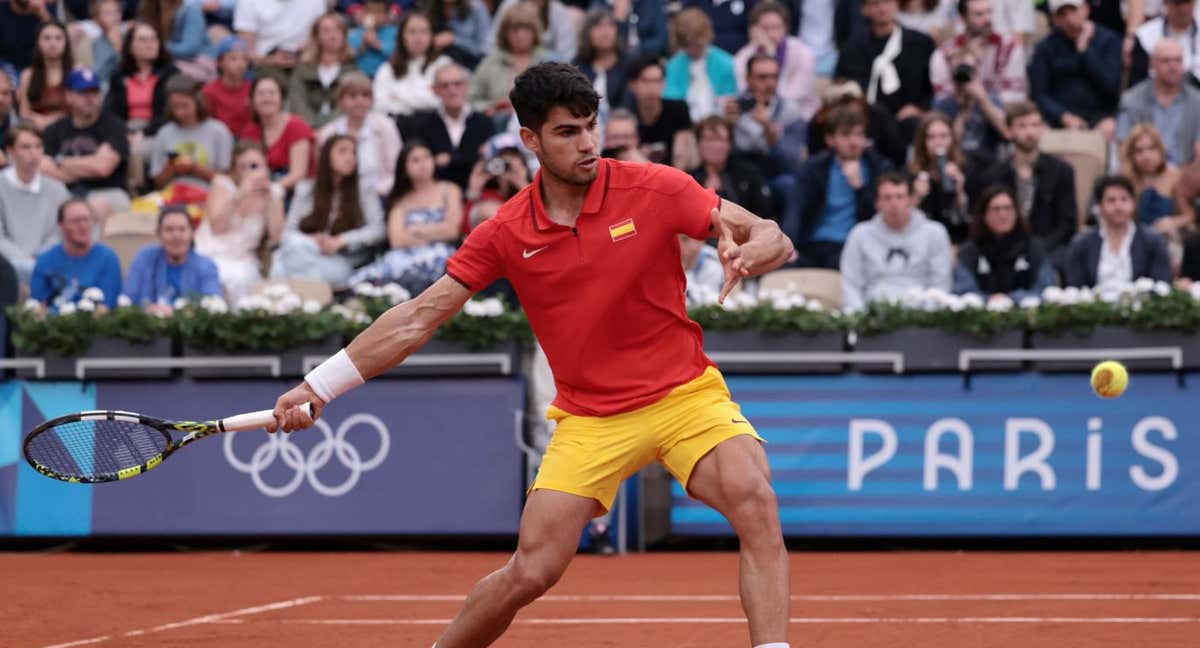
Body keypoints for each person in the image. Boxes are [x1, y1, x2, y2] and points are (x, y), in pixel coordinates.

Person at [271, 61, 793, 648]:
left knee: (756, 500)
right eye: (568, 132)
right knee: (532, 570)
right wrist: (319, 385)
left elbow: (770, 232)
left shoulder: (657, 187)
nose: (588, 143)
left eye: (591, 126)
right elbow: (418, 317)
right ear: (531, 140)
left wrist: (749, 249)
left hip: (683, 395)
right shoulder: (506, 230)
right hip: (591, 419)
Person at [971, 101, 1078, 268]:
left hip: (1048, 248)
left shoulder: (1061, 171)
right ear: (1008, 131)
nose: (1030, 132)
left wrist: (1038, 250)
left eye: (1035, 125)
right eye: (1022, 126)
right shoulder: (994, 175)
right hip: (1003, 249)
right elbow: (984, 220)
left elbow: (1067, 224)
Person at [347, 141, 464, 292]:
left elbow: (452, 230)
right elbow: (397, 240)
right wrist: (436, 230)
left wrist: (417, 229)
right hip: (402, 258)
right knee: (362, 281)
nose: (423, 164)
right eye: (415, 160)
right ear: (404, 167)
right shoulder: (401, 200)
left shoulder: (449, 190)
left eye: (427, 157)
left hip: (441, 257)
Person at [270, 134, 385, 286]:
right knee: (293, 247)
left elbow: (378, 230)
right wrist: (312, 241)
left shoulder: (364, 190)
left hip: (342, 258)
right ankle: (312, 298)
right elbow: (288, 232)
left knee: (280, 269)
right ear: (326, 156)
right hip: (307, 251)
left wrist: (341, 241)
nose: (350, 158)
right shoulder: (306, 189)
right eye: (343, 151)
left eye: (353, 153)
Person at [785, 105, 892, 268]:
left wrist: (859, 188)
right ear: (830, 139)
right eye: (845, 135)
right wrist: (787, 245)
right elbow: (796, 209)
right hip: (813, 243)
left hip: (853, 246)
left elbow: (879, 218)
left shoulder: (878, 168)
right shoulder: (814, 168)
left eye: (858, 135)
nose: (853, 142)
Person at [840, 171, 954, 311]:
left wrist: (927, 320)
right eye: (887, 198)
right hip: (872, 315)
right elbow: (851, 284)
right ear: (877, 203)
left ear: (910, 200)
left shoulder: (935, 233)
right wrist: (860, 320)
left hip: (922, 316)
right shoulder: (860, 234)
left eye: (900, 197)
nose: (894, 204)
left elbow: (940, 284)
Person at [928, 0, 1024, 160]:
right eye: (979, 14)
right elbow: (941, 113)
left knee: (998, 103)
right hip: (955, 124)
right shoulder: (943, 55)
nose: (988, 19)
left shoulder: (1010, 49)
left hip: (995, 131)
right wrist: (964, 95)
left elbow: (1012, 114)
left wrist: (980, 95)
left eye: (989, 12)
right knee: (943, 107)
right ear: (963, 18)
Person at [40, 69, 131, 225]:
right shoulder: (54, 130)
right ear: (69, 96)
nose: (90, 98)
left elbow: (102, 168)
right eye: (83, 93)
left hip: (105, 192)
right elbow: (42, 168)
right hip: (63, 192)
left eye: (94, 92)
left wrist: (60, 161)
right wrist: (89, 164)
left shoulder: (114, 126)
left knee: (95, 207)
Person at [196, 141, 286, 300]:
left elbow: (276, 237)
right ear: (235, 169)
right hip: (212, 252)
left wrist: (270, 198)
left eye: (254, 166)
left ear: (265, 166)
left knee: (243, 281)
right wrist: (239, 195)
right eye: (242, 167)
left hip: (243, 260)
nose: (249, 171)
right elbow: (217, 228)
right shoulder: (223, 185)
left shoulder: (274, 192)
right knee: (219, 276)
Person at [835, 0, 936, 138]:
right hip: (866, 121)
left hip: (908, 122)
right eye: (875, 4)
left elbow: (934, 88)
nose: (882, 9)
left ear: (897, 5)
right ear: (864, 9)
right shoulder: (853, 48)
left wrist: (919, 110)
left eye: (887, 2)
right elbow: (843, 86)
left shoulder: (921, 44)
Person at [1027, 0, 1121, 140]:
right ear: (1055, 19)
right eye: (1062, 14)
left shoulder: (1108, 40)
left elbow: (1111, 85)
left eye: (1073, 10)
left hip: (1100, 116)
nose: (1070, 19)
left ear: (1086, 9)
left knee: (1110, 128)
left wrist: (1085, 51)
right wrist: (1063, 116)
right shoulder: (1045, 48)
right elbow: (1039, 94)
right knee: (1037, 131)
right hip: (1059, 118)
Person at [1064, 174, 1173, 289]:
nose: (1118, 206)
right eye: (1111, 200)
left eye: (1124, 199)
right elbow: (1074, 288)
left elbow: (1162, 285)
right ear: (1100, 206)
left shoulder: (1152, 241)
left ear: (1133, 204)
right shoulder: (1082, 243)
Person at [953, 185, 1057, 302]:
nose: (1003, 215)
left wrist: (1011, 299)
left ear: (1016, 213)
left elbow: (1046, 290)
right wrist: (990, 300)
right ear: (984, 215)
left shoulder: (1034, 248)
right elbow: (963, 292)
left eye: (1008, 208)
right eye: (996, 209)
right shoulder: (969, 251)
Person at [404, 63, 496, 191]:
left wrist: (447, 160)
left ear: (466, 86)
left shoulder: (484, 122)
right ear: (434, 90)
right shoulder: (421, 125)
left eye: (457, 84)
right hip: (435, 193)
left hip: (479, 192)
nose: (452, 90)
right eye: (444, 86)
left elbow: (489, 164)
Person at [728, 54, 807, 195]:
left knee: (790, 184)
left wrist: (768, 127)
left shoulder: (790, 110)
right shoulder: (734, 107)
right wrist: (728, 126)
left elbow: (792, 161)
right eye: (762, 77)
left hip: (773, 172)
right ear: (748, 79)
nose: (770, 83)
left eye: (774, 77)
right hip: (739, 172)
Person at [0, 123, 70, 282]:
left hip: (48, 264)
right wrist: (25, 261)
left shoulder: (57, 189)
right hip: (5, 266)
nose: (33, 153)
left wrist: (40, 259)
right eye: (25, 147)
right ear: (11, 151)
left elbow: (60, 232)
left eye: (38, 146)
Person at [318, 72, 402, 201]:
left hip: (381, 195)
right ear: (341, 101)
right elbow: (324, 174)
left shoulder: (385, 126)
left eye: (365, 96)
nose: (359, 101)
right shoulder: (328, 133)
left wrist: (379, 192)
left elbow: (397, 169)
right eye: (352, 96)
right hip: (340, 198)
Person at [122, 206, 223, 313]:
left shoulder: (206, 266)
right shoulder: (145, 258)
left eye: (182, 229)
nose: (176, 236)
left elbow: (213, 304)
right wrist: (147, 308)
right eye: (169, 230)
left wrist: (180, 313)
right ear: (160, 234)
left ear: (192, 234)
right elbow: (127, 298)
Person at [1117, 39, 1200, 168]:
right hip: (1143, 173)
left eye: (1177, 60)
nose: (1173, 66)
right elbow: (1124, 146)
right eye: (1166, 61)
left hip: (1184, 174)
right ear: (1152, 65)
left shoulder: (1197, 101)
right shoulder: (1132, 99)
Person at [732, 1, 820, 120]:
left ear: (786, 28)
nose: (771, 34)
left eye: (776, 27)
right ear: (753, 30)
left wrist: (771, 55)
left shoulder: (803, 53)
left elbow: (789, 99)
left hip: (798, 118)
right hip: (753, 118)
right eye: (765, 28)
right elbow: (742, 91)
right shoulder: (743, 56)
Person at [30, 198, 123, 310]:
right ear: (61, 225)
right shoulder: (45, 260)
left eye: (87, 220)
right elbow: (38, 306)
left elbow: (107, 306)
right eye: (75, 221)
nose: (83, 226)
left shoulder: (108, 259)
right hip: (53, 324)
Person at [149, 75, 234, 190]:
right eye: (175, 107)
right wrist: (171, 168)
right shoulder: (164, 133)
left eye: (185, 105)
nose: (180, 112)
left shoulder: (218, 131)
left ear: (197, 102)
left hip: (209, 193)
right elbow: (158, 183)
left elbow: (226, 180)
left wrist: (196, 168)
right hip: (173, 194)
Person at [469, 1, 551, 120]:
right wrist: (491, 107)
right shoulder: (491, 62)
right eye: (514, 29)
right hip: (497, 126)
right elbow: (471, 99)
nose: (520, 35)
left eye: (526, 28)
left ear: (535, 31)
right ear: (504, 33)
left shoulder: (548, 61)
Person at [104, 21, 181, 139]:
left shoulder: (171, 74)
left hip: (161, 131)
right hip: (126, 130)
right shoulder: (119, 76)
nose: (149, 44)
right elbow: (111, 112)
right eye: (142, 40)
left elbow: (172, 113)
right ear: (130, 46)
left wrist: (144, 133)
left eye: (154, 39)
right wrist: (125, 133)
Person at [689, 116, 775, 221]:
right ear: (699, 144)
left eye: (720, 139)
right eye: (709, 139)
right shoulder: (690, 179)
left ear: (729, 144)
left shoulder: (748, 173)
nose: (715, 146)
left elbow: (766, 214)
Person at [240, 76, 314, 192]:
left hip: (294, 190)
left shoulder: (297, 126)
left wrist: (270, 189)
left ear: (281, 98)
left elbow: (298, 174)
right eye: (261, 93)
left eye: (272, 93)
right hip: (261, 186)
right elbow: (245, 168)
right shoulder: (250, 130)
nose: (267, 98)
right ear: (252, 100)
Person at [1119, 125, 1189, 246]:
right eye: (1139, 151)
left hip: (1168, 238)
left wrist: (1173, 222)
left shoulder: (1174, 175)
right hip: (1134, 240)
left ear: (1161, 151)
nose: (1146, 156)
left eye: (1152, 149)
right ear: (1131, 156)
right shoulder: (1124, 179)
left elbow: (1190, 215)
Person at [373, 11, 451, 118]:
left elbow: (444, 101)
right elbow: (379, 105)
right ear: (402, 37)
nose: (418, 38)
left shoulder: (444, 65)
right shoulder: (388, 68)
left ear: (431, 36)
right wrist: (421, 101)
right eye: (412, 32)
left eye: (424, 32)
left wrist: (399, 97)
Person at [664, 8, 737, 122]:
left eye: (698, 44)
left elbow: (730, 99)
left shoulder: (726, 63)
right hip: (684, 124)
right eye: (688, 45)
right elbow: (671, 101)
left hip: (719, 124)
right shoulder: (673, 66)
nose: (693, 49)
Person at [909, 112, 971, 243]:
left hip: (956, 240)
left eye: (943, 136)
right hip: (919, 241)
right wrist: (917, 196)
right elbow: (902, 218)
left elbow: (968, 219)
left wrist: (959, 190)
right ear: (922, 142)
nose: (938, 142)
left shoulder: (966, 169)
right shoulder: (911, 173)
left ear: (952, 139)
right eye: (931, 137)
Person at [289, 12, 357, 130]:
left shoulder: (353, 70)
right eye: (326, 31)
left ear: (344, 35)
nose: (333, 35)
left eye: (338, 30)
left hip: (339, 130)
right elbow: (297, 101)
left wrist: (328, 129)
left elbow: (347, 106)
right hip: (306, 129)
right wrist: (310, 127)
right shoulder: (302, 70)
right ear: (317, 36)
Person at [625, 54, 695, 168]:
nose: (652, 88)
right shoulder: (625, 116)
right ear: (632, 85)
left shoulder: (678, 109)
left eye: (657, 81)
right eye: (645, 81)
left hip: (674, 175)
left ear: (664, 84)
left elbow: (682, 156)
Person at [233, 0, 326, 84]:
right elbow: (246, 50)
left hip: (306, 60)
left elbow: (323, 36)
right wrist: (269, 60)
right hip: (264, 63)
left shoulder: (316, 2)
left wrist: (308, 52)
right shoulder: (248, 2)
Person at [1128, 0, 1200, 87]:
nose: (1183, 9)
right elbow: (1137, 84)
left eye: (1187, 2)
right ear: (1165, 3)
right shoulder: (1145, 36)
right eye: (1177, 3)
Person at [17, 21, 72, 132]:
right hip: (36, 129)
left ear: (66, 43)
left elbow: (79, 109)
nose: (53, 43)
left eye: (58, 38)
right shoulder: (28, 75)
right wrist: (40, 120)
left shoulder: (75, 72)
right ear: (39, 43)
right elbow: (24, 113)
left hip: (67, 130)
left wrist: (53, 120)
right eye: (47, 38)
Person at [572, 10, 630, 116]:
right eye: (598, 27)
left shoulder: (628, 63)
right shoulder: (577, 65)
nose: (605, 32)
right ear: (587, 33)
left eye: (610, 26)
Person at [464, 145, 531, 230]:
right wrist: (474, 189)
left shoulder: (538, 192)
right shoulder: (487, 196)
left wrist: (522, 184)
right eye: (505, 166)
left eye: (510, 166)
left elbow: (540, 216)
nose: (509, 171)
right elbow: (466, 227)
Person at [487, 0, 579, 62]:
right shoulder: (508, 5)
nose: (521, 35)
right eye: (516, 28)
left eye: (527, 28)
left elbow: (567, 55)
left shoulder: (558, 10)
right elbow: (491, 45)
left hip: (547, 68)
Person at [203, 36, 253, 137]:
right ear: (219, 62)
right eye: (233, 59)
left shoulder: (253, 89)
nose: (241, 64)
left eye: (245, 59)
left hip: (248, 141)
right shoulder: (209, 91)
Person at [139, 0, 208, 72]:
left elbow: (190, 48)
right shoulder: (148, 10)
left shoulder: (190, 11)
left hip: (195, 63)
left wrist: (159, 47)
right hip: (162, 61)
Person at [425, 0, 493, 70]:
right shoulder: (430, 8)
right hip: (435, 64)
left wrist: (454, 39)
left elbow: (483, 48)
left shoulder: (476, 7)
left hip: (469, 66)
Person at [589, 0, 668, 57]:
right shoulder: (600, 4)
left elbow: (661, 42)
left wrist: (637, 49)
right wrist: (619, 19)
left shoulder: (651, 3)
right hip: (615, 64)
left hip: (646, 60)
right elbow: (600, 44)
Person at [0, 0, 55, 74]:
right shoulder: (2, 9)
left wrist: (42, 13)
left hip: (37, 67)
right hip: (7, 66)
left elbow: (57, 37)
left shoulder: (44, 9)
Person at [348, 0, 398, 77]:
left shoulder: (394, 33)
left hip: (387, 76)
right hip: (361, 76)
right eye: (370, 11)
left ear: (386, 15)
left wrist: (377, 45)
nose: (374, 15)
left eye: (379, 12)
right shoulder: (356, 33)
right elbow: (350, 55)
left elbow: (396, 54)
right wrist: (363, 45)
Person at [89, 0, 125, 84]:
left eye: (117, 11)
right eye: (108, 13)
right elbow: (97, 74)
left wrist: (118, 45)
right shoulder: (95, 43)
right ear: (96, 19)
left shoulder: (130, 38)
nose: (115, 16)